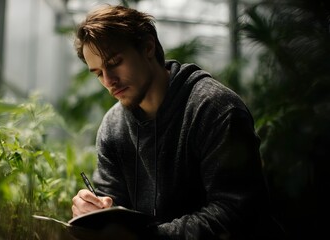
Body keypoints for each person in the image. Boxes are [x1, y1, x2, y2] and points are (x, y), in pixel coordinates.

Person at [71, 4, 284, 240]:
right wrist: (94, 210)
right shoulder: (113, 127)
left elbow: (234, 213)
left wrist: (148, 237)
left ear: (148, 47)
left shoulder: (214, 108)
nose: (109, 81)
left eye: (114, 62)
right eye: (99, 73)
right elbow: (111, 208)